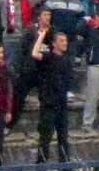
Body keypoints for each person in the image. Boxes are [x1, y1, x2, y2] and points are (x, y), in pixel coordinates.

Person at [31, 23, 76, 163]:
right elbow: (34, 53)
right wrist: (41, 36)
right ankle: (41, 164)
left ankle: (65, 163)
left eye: (66, 41)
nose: (65, 43)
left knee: (63, 135)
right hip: (49, 102)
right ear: (54, 44)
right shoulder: (48, 57)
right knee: (46, 135)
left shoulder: (67, 60)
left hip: (62, 103)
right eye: (61, 41)